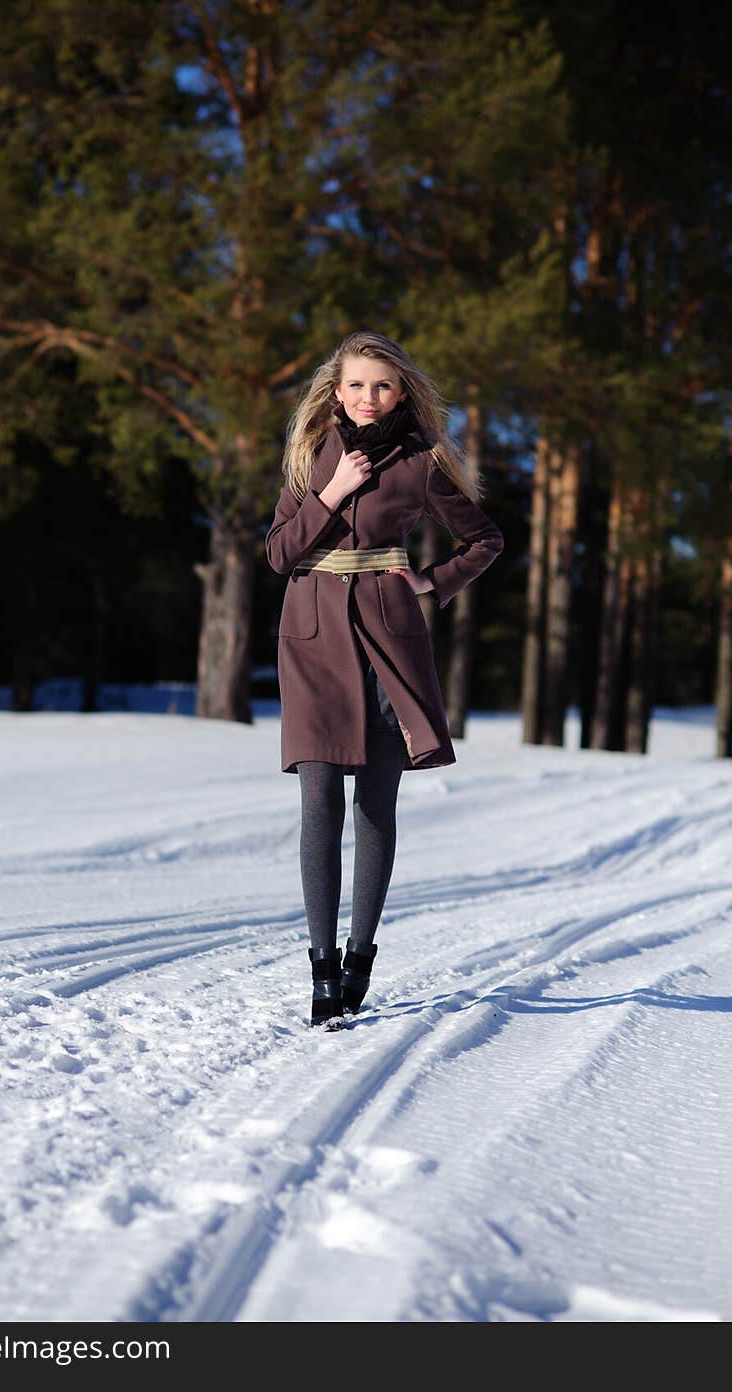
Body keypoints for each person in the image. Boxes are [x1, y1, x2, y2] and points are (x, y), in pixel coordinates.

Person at [265, 331, 504, 1029]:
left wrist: (433, 580)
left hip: (389, 642)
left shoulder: (422, 462)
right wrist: (333, 492)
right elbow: (280, 553)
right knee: (318, 806)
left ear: (402, 393)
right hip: (310, 642)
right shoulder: (311, 458)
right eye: (357, 385)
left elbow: (485, 540)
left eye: (384, 386)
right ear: (335, 391)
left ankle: (359, 958)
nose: (369, 398)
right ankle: (319, 967)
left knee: (374, 807)